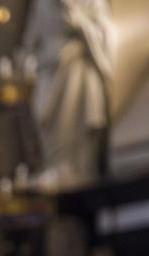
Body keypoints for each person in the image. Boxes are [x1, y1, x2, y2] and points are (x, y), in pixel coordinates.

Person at [22, 0, 113, 188]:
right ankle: (54, 165)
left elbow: (106, 33)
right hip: (47, 70)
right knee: (44, 117)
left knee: (73, 118)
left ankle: (73, 169)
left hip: (76, 70)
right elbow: (30, 41)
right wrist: (26, 62)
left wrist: (80, 24)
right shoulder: (42, 3)